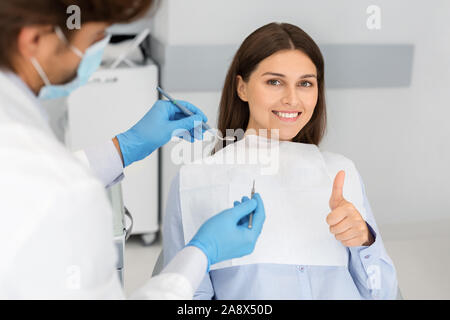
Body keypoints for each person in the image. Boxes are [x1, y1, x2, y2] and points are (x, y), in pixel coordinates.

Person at [0, 0, 265, 299]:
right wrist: (200, 254)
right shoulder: (62, 192)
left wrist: (123, 148)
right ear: (35, 39)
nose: (100, 47)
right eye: (97, 36)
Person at [162, 22, 398, 300]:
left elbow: (383, 294)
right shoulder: (196, 182)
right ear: (242, 88)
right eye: (274, 82)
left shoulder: (341, 173)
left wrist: (364, 242)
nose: (292, 98)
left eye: (305, 83)